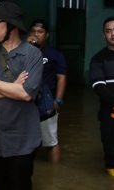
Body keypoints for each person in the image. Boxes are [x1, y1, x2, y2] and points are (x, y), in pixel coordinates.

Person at [0, 2, 43, 190]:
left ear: (11, 25)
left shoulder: (32, 54)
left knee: (20, 184)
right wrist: (12, 88)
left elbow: (26, 94)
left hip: (22, 139)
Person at [89, 16, 114, 177]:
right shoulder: (98, 59)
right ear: (104, 35)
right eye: (108, 31)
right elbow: (98, 86)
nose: (113, 34)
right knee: (112, 156)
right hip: (109, 114)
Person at [27, 19, 67, 163]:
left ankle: (54, 178)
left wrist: (58, 100)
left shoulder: (54, 54)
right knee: (26, 140)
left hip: (46, 101)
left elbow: (61, 78)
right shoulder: (24, 51)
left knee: (50, 141)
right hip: (25, 101)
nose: (36, 34)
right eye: (33, 31)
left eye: (40, 32)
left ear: (47, 35)